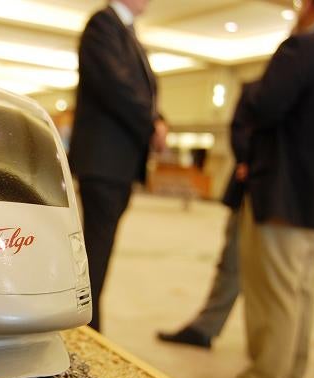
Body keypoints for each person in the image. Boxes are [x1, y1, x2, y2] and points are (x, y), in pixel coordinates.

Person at [207, 0, 314, 378]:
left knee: (274, 292)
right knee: (300, 289)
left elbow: (265, 105)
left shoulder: (302, 48)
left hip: (284, 190)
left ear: (310, 6)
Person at [68, 0, 167, 332]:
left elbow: (141, 89)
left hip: (118, 162)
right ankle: (86, 329)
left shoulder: (126, 31)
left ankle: (88, 326)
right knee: (96, 252)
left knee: (100, 249)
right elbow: (116, 86)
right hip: (104, 161)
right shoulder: (103, 24)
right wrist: (152, 124)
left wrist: (159, 118)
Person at [157, 81, 260, 349]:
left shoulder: (269, 85)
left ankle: (270, 364)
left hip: (264, 192)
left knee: (243, 265)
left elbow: (243, 127)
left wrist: (253, 161)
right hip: (297, 197)